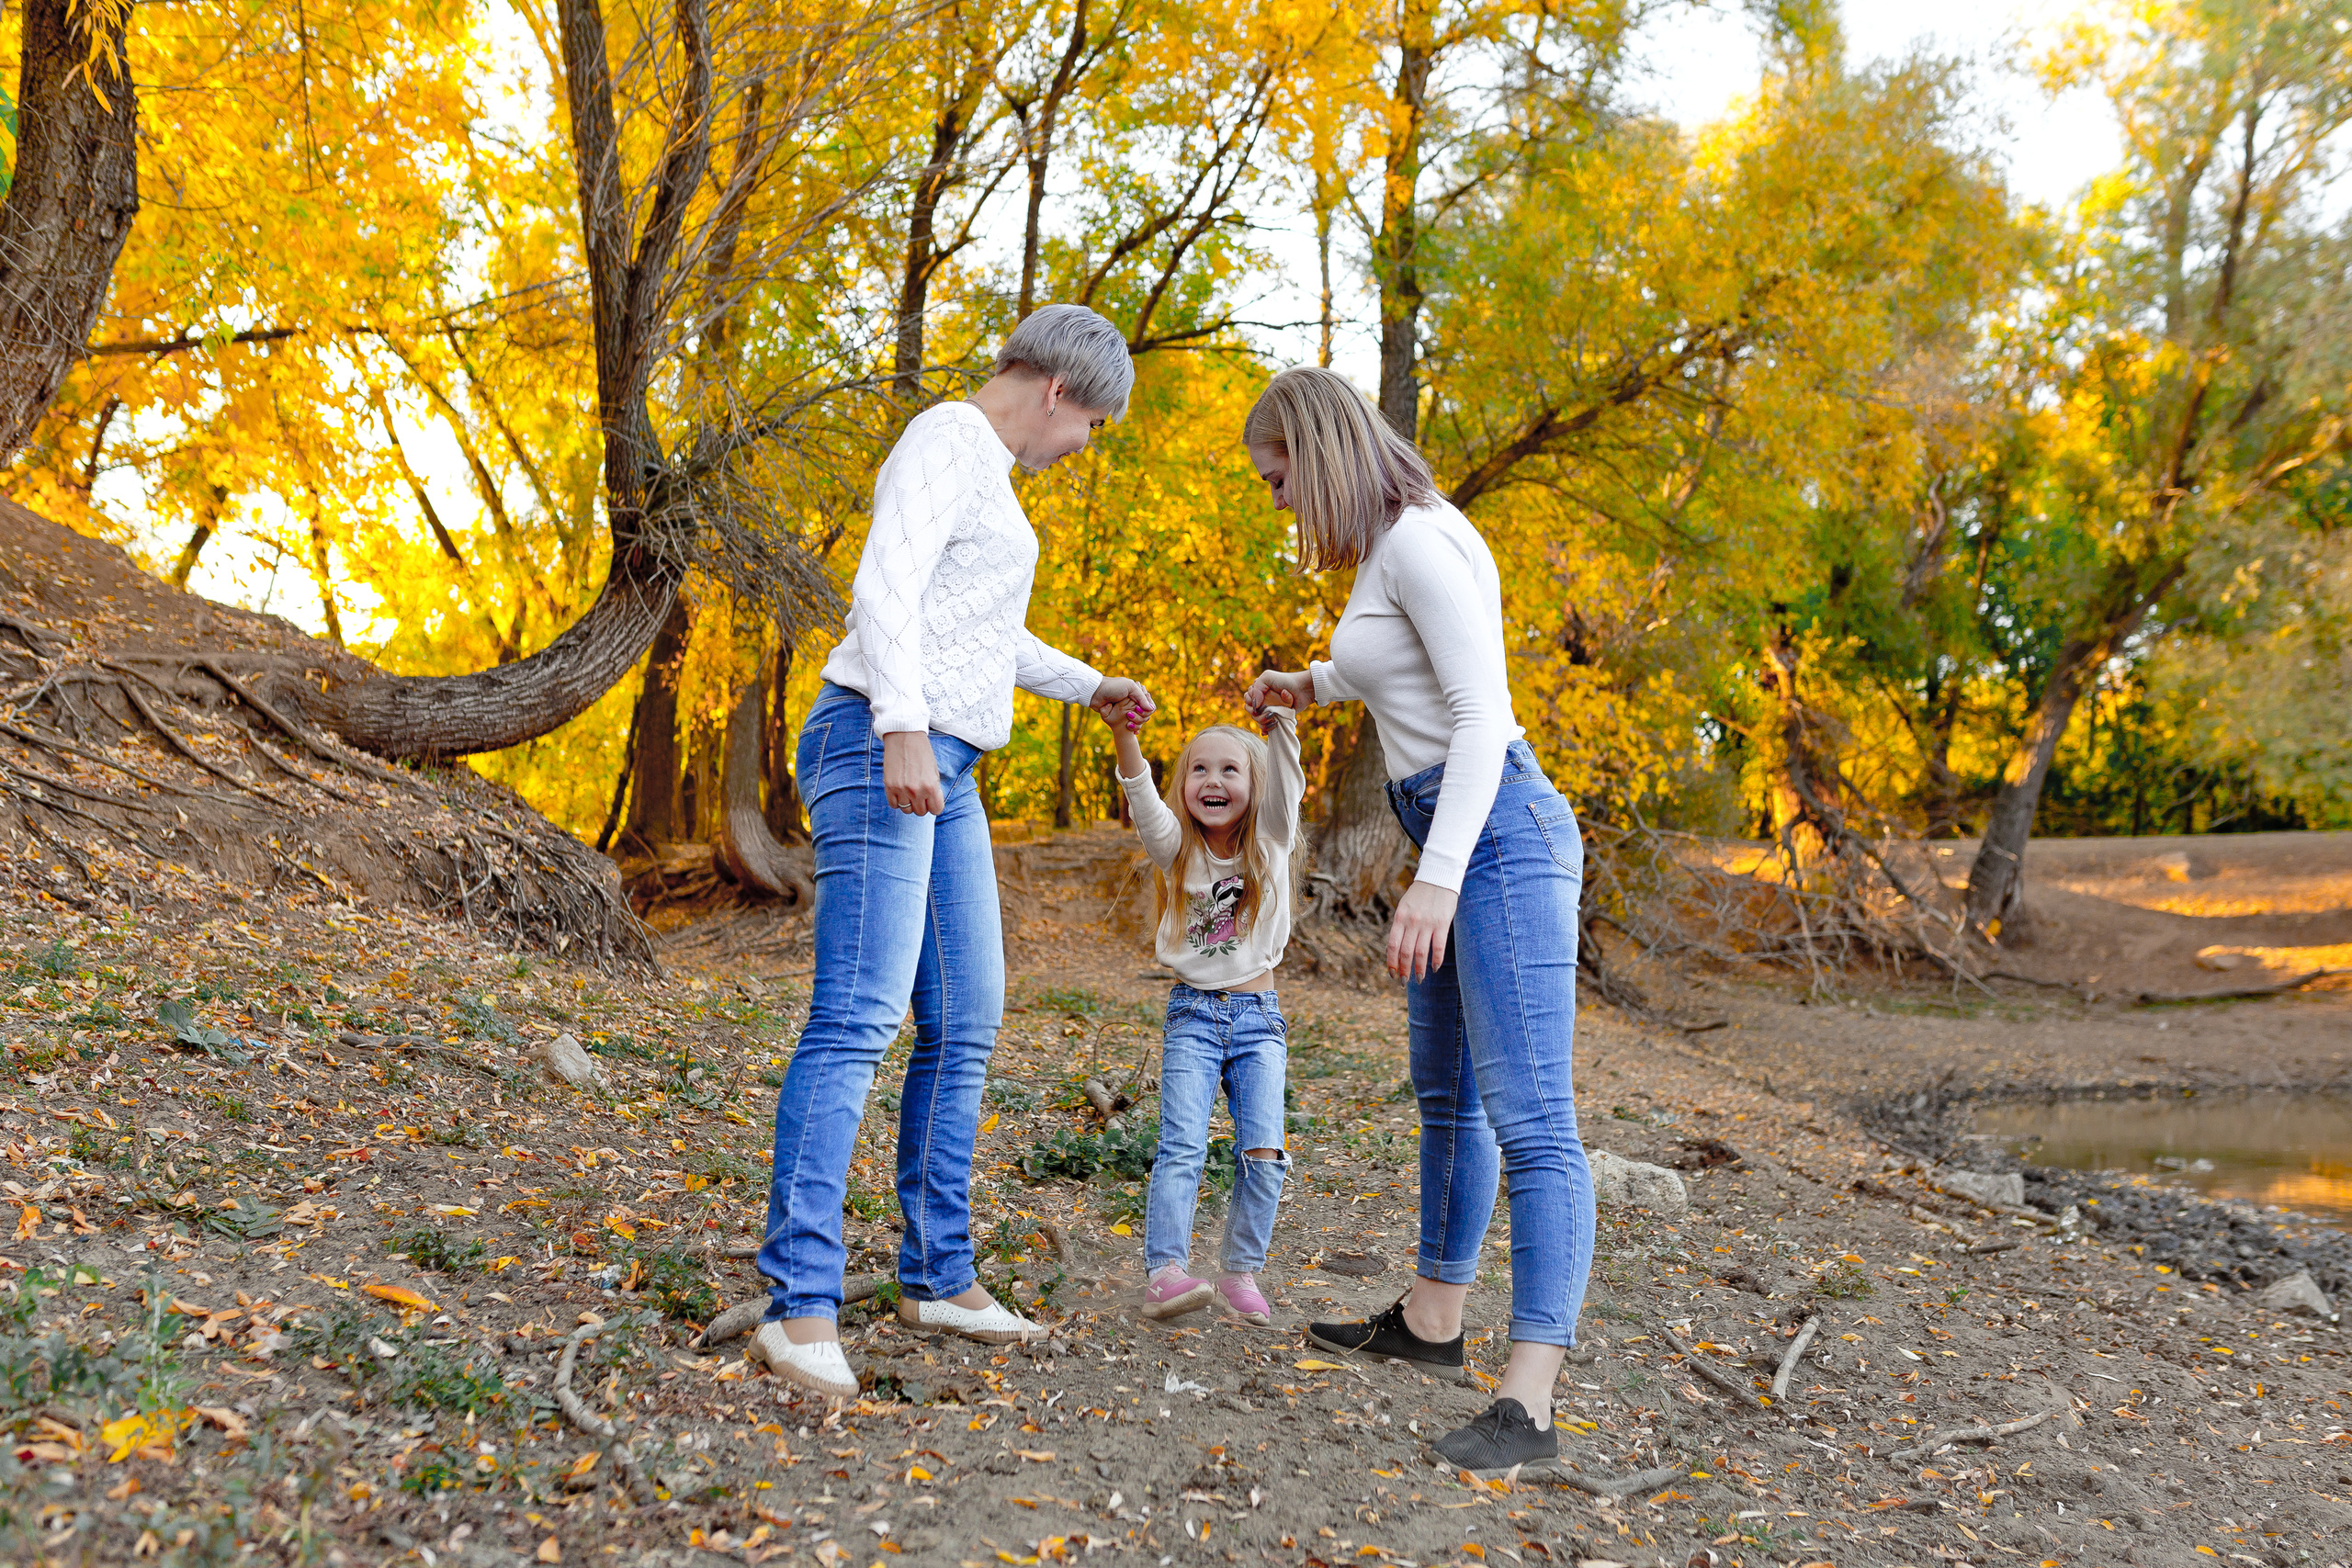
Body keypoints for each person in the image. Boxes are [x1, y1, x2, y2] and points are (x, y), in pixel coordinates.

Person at [750, 306, 1157, 1399]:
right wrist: (900, 726)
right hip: (880, 741)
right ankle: (798, 1303)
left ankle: (937, 1276)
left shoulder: (989, 478)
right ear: (1059, 391)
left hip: (949, 762)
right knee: (858, 1016)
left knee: (966, 1016)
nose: (1084, 445)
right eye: (1094, 424)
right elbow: (883, 585)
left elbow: (976, 632)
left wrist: (1091, 684)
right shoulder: (947, 436)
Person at [1242, 366, 1595, 1477]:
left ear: (1319, 453)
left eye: (1278, 477)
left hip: (1496, 837)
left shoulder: (1421, 542)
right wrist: (1309, 683)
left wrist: (1435, 882)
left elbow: (1482, 718)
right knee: (1447, 1097)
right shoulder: (1395, 544)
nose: (1278, 501)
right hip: (1456, 830)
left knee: (1533, 1119)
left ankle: (1528, 1406)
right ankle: (1433, 1322)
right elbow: (1404, 674)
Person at [1099, 694, 1304, 1327]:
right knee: (1182, 1146)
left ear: (1254, 785)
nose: (1213, 780)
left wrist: (1282, 726)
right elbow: (1140, 793)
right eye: (1199, 769)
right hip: (1192, 1016)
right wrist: (1124, 734)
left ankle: (1239, 1272)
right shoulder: (1177, 849)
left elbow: (1288, 789)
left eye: (1230, 769)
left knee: (1264, 1152)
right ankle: (1166, 1272)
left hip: (1258, 1020)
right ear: (1185, 784)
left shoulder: (1269, 841)